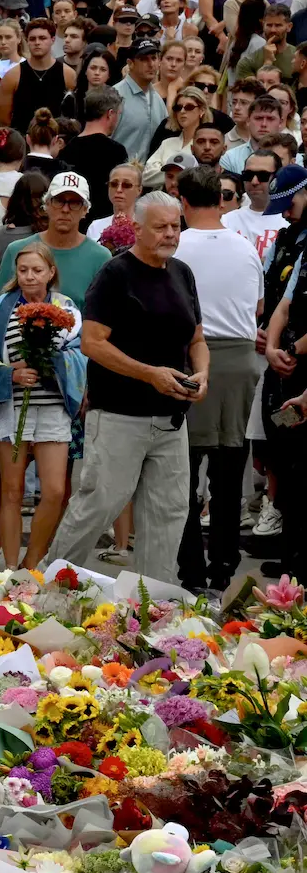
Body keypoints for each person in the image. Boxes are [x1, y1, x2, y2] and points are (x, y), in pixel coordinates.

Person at [40, 191, 204, 586]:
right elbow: (92, 343)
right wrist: (150, 373)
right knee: (98, 505)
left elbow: (197, 339)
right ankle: (48, 589)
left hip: (171, 420)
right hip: (118, 415)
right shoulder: (115, 274)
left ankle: (152, 609)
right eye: (160, 226)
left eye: (175, 226)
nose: (170, 234)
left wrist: (202, 374)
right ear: (136, 228)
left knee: (168, 514)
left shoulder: (182, 273)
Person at [172, 163, 265, 595]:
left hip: (193, 356)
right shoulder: (245, 246)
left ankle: (191, 566)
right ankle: (223, 562)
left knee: (183, 471)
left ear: (183, 202)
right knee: (229, 469)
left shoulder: (177, 247)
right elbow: (259, 305)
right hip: (240, 359)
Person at [0, 236, 86, 570]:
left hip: (53, 408)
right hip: (12, 407)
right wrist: (10, 374)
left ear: (51, 272)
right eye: (23, 270)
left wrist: (55, 365)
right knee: (12, 490)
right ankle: (8, 568)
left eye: (37, 270)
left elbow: (81, 355)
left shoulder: (67, 310)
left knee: (53, 490)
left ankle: (32, 562)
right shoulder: (0, 308)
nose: (30, 276)